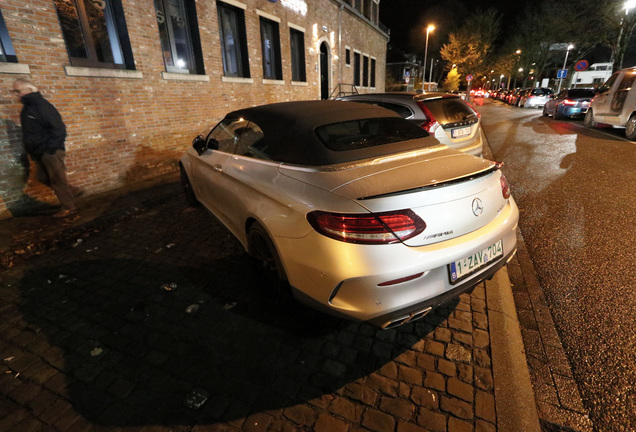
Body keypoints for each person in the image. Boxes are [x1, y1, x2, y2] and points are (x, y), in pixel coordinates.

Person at [13, 78, 81, 218]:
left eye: (18, 91)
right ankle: (72, 192)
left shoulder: (41, 106)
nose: (16, 94)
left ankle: (69, 207)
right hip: (40, 151)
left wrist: (50, 149)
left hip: (50, 151)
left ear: (29, 90)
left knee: (57, 180)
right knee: (42, 177)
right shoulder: (29, 107)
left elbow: (59, 129)